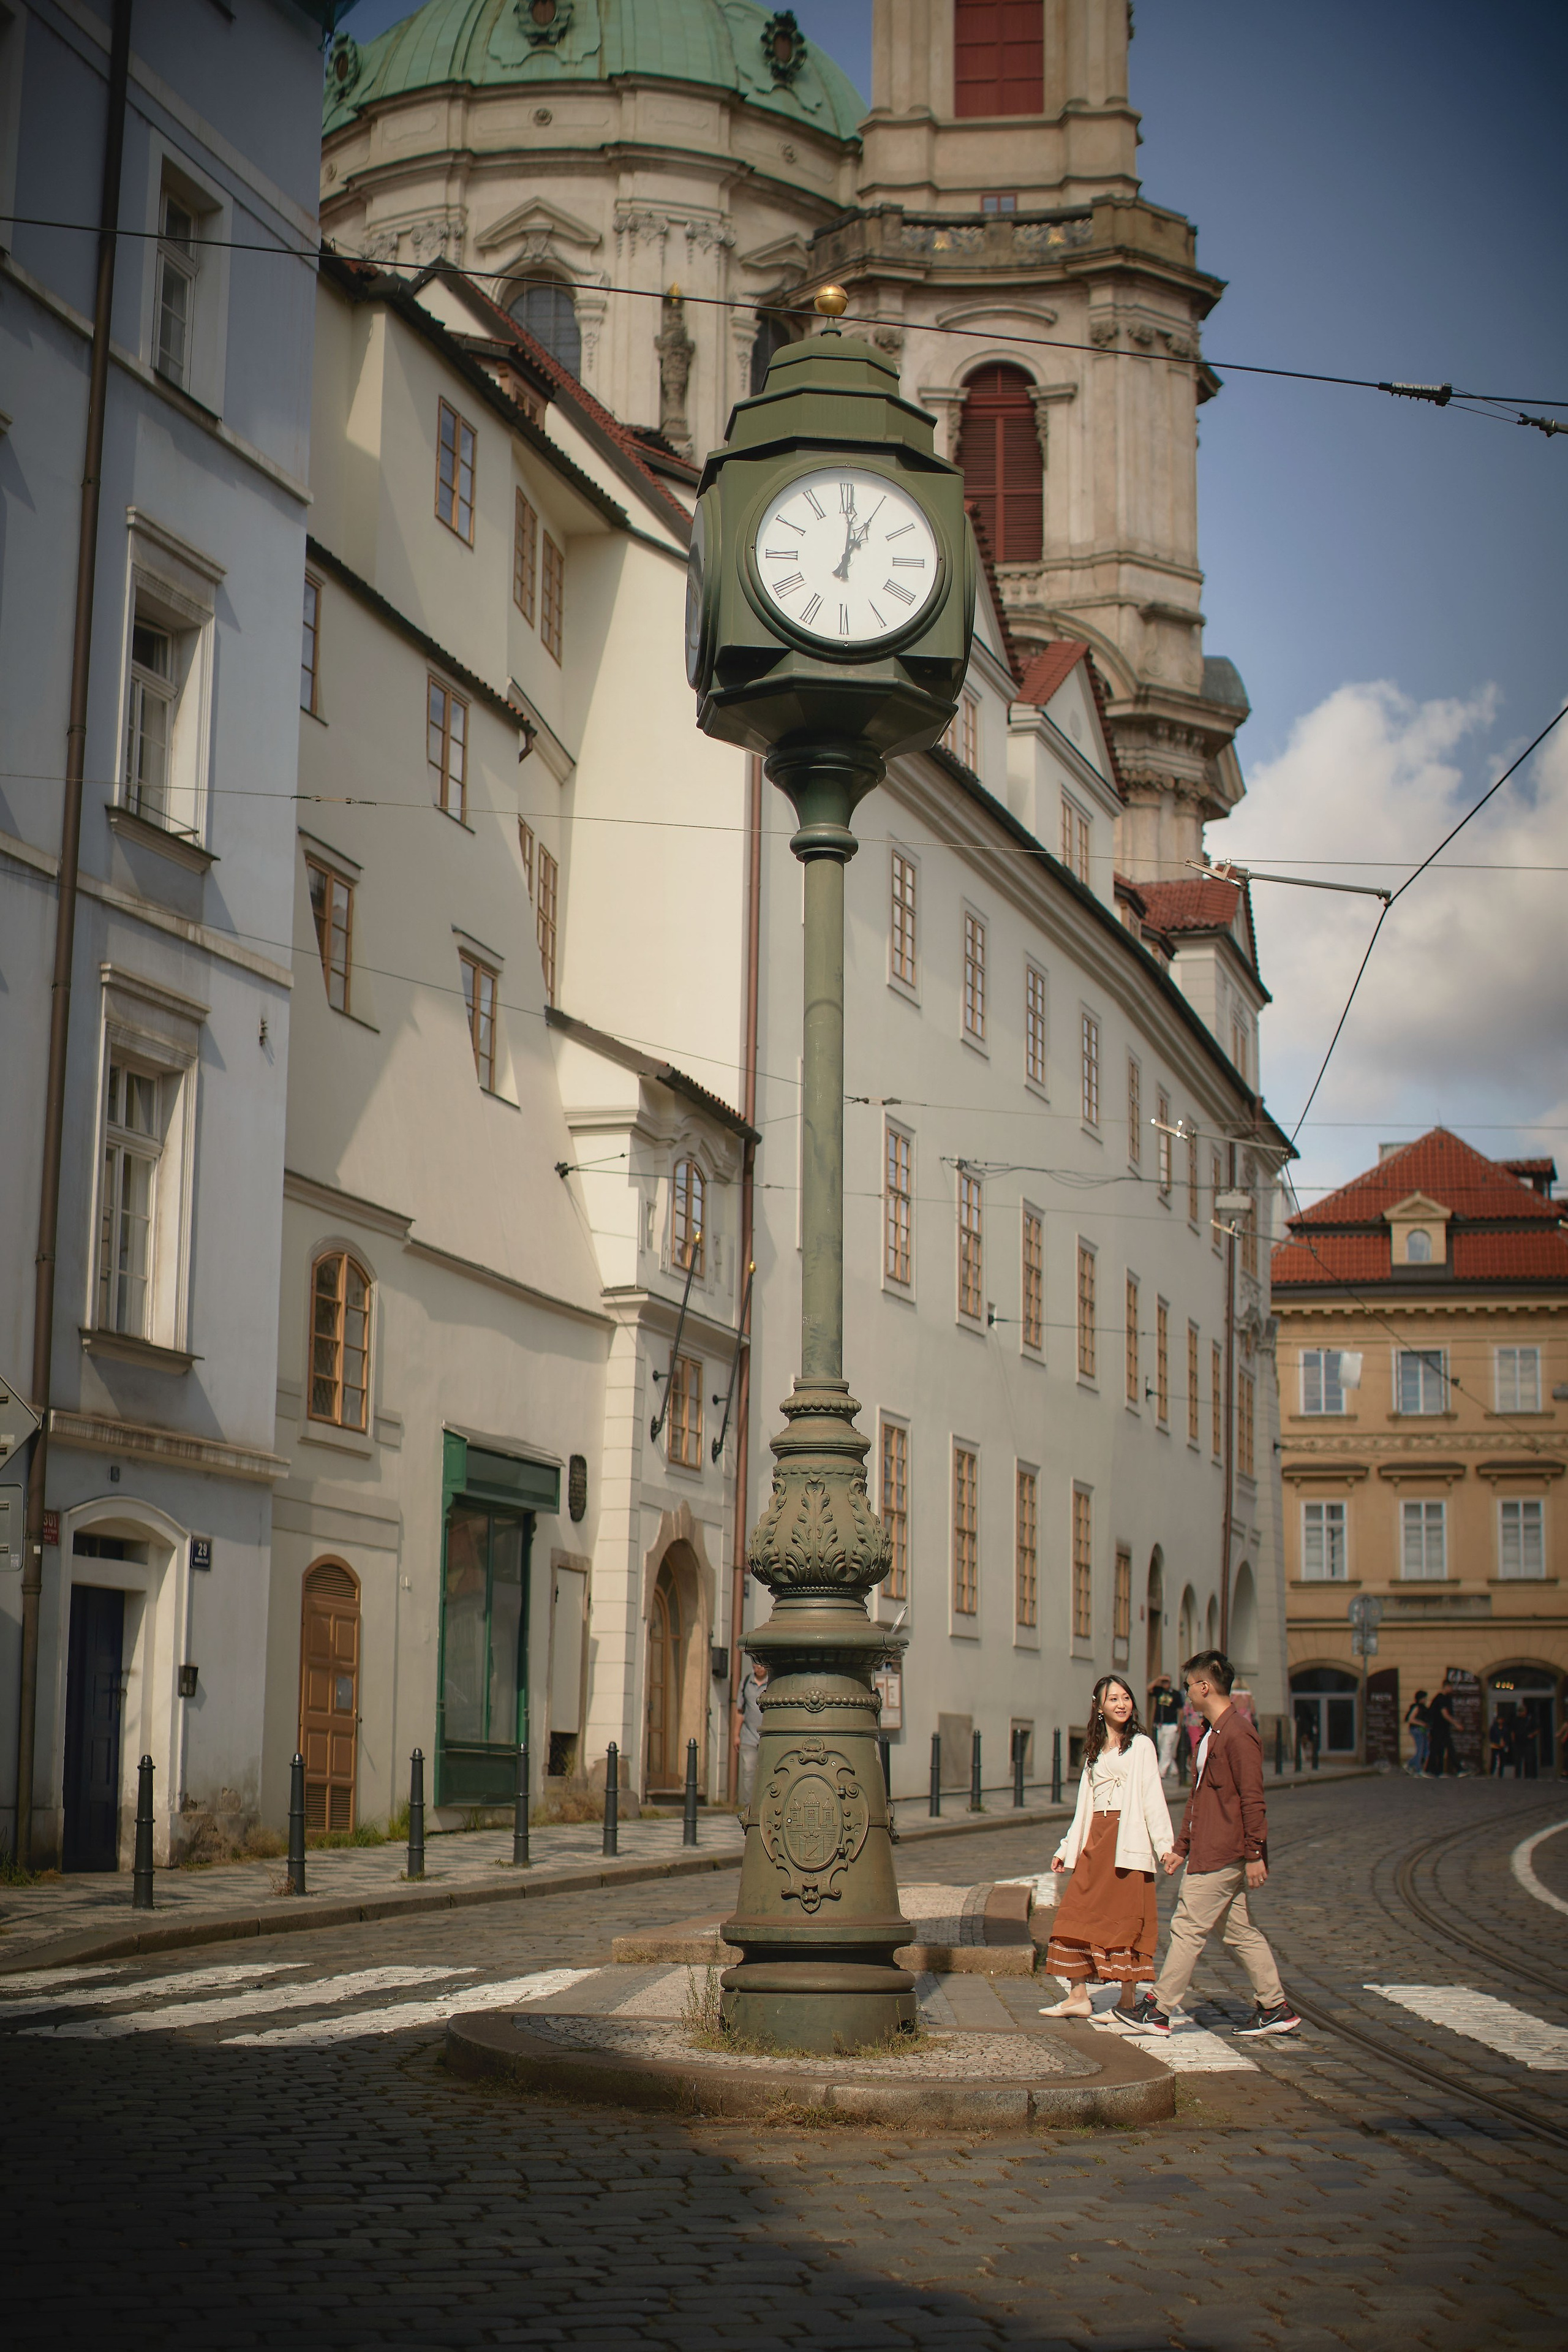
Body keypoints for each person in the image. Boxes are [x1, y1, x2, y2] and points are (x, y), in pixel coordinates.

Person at [1123, 1650, 1301, 2040]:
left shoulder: (1239, 1735)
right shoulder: (1212, 1733)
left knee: (1187, 1926)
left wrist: (1255, 1854)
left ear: (1205, 1687)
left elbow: (1253, 1800)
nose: (1186, 1694)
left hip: (1223, 1852)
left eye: (1189, 1687)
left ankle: (1158, 2009)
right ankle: (1275, 2007)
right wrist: (1181, 1846)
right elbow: (1200, 1798)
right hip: (1210, 1848)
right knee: (1240, 1932)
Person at [1038, 1673, 1174, 2021]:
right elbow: (1083, 1806)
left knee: (1124, 1922)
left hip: (1126, 1842)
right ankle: (1078, 1996)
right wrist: (1066, 1847)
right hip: (1095, 1841)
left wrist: (1165, 1846)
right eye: (1113, 1699)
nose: (1122, 1704)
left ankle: (1127, 2004)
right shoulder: (1094, 1751)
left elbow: (1152, 1798)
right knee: (1073, 1916)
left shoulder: (1141, 1744)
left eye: (1126, 1697)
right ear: (1099, 1707)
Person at [735, 1658, 767, 1815]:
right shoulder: (746, 1682)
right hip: (748, 1736)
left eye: (760, 1665)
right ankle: (749, 1808)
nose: (757, 1668)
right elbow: (739, 1711)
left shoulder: (772, 1682)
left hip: (766, 1738)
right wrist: (736, 1735)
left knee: (766, 1772)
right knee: (748, 1773)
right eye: (755, 1665)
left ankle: (764, 1807)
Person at [1148, 1674, 1183, 1781]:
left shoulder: (1175, 1694)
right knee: (1161, 1747)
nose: (1165, 1684)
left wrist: (1179, 1724)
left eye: (1167, 1682)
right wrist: (1158, 1679)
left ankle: (1161, 1772)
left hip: (1171, 1724)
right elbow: (1149, 1689)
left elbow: (1180, 1710)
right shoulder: (1159, 1691)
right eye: (1163, 1682)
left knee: (1166, 1748)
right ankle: (1173, 1769)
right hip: (1160, 1725)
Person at [1425, 1684, 1458, 1779]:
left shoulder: (1443, 1698)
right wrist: (1456, 1723)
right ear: (1445, 1687)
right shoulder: (1441, 1699)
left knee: (1439, 1750)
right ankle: (1431, 1770)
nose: (1452, 1689)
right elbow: (1445, 1714)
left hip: (1440, 1729)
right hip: (1438, 1728)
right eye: (1450, 1687)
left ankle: (1436, 1771)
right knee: (1440, 1749)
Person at [1404, 1690, 1429, 1777]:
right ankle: (1418, 1770)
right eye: (1424, 1698)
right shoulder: (1417, 1707)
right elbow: (1410, 1719)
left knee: (1425, 1750)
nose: (1426, 1700)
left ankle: (1409, 1764)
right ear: (1420, 1699)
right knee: (1420, 1750)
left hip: (1421, 1730)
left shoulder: (1422, 1707)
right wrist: (1422, 1724)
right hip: (1417, 1730)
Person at [1488, 1709, 1509, 1777]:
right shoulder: (1494, 1727)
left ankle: (1501, 1774)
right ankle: (1491, 1773)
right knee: (1494, 1760)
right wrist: (1495, 1742)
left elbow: (1507, 1736)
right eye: (1499, 1719)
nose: (1500, 1721)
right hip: (1495, 1745)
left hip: (1503, 1745)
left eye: (1501, 1719)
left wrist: (1505, 1743)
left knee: (1502, 1760)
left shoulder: (1505, 1728)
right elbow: (1491, 1736)